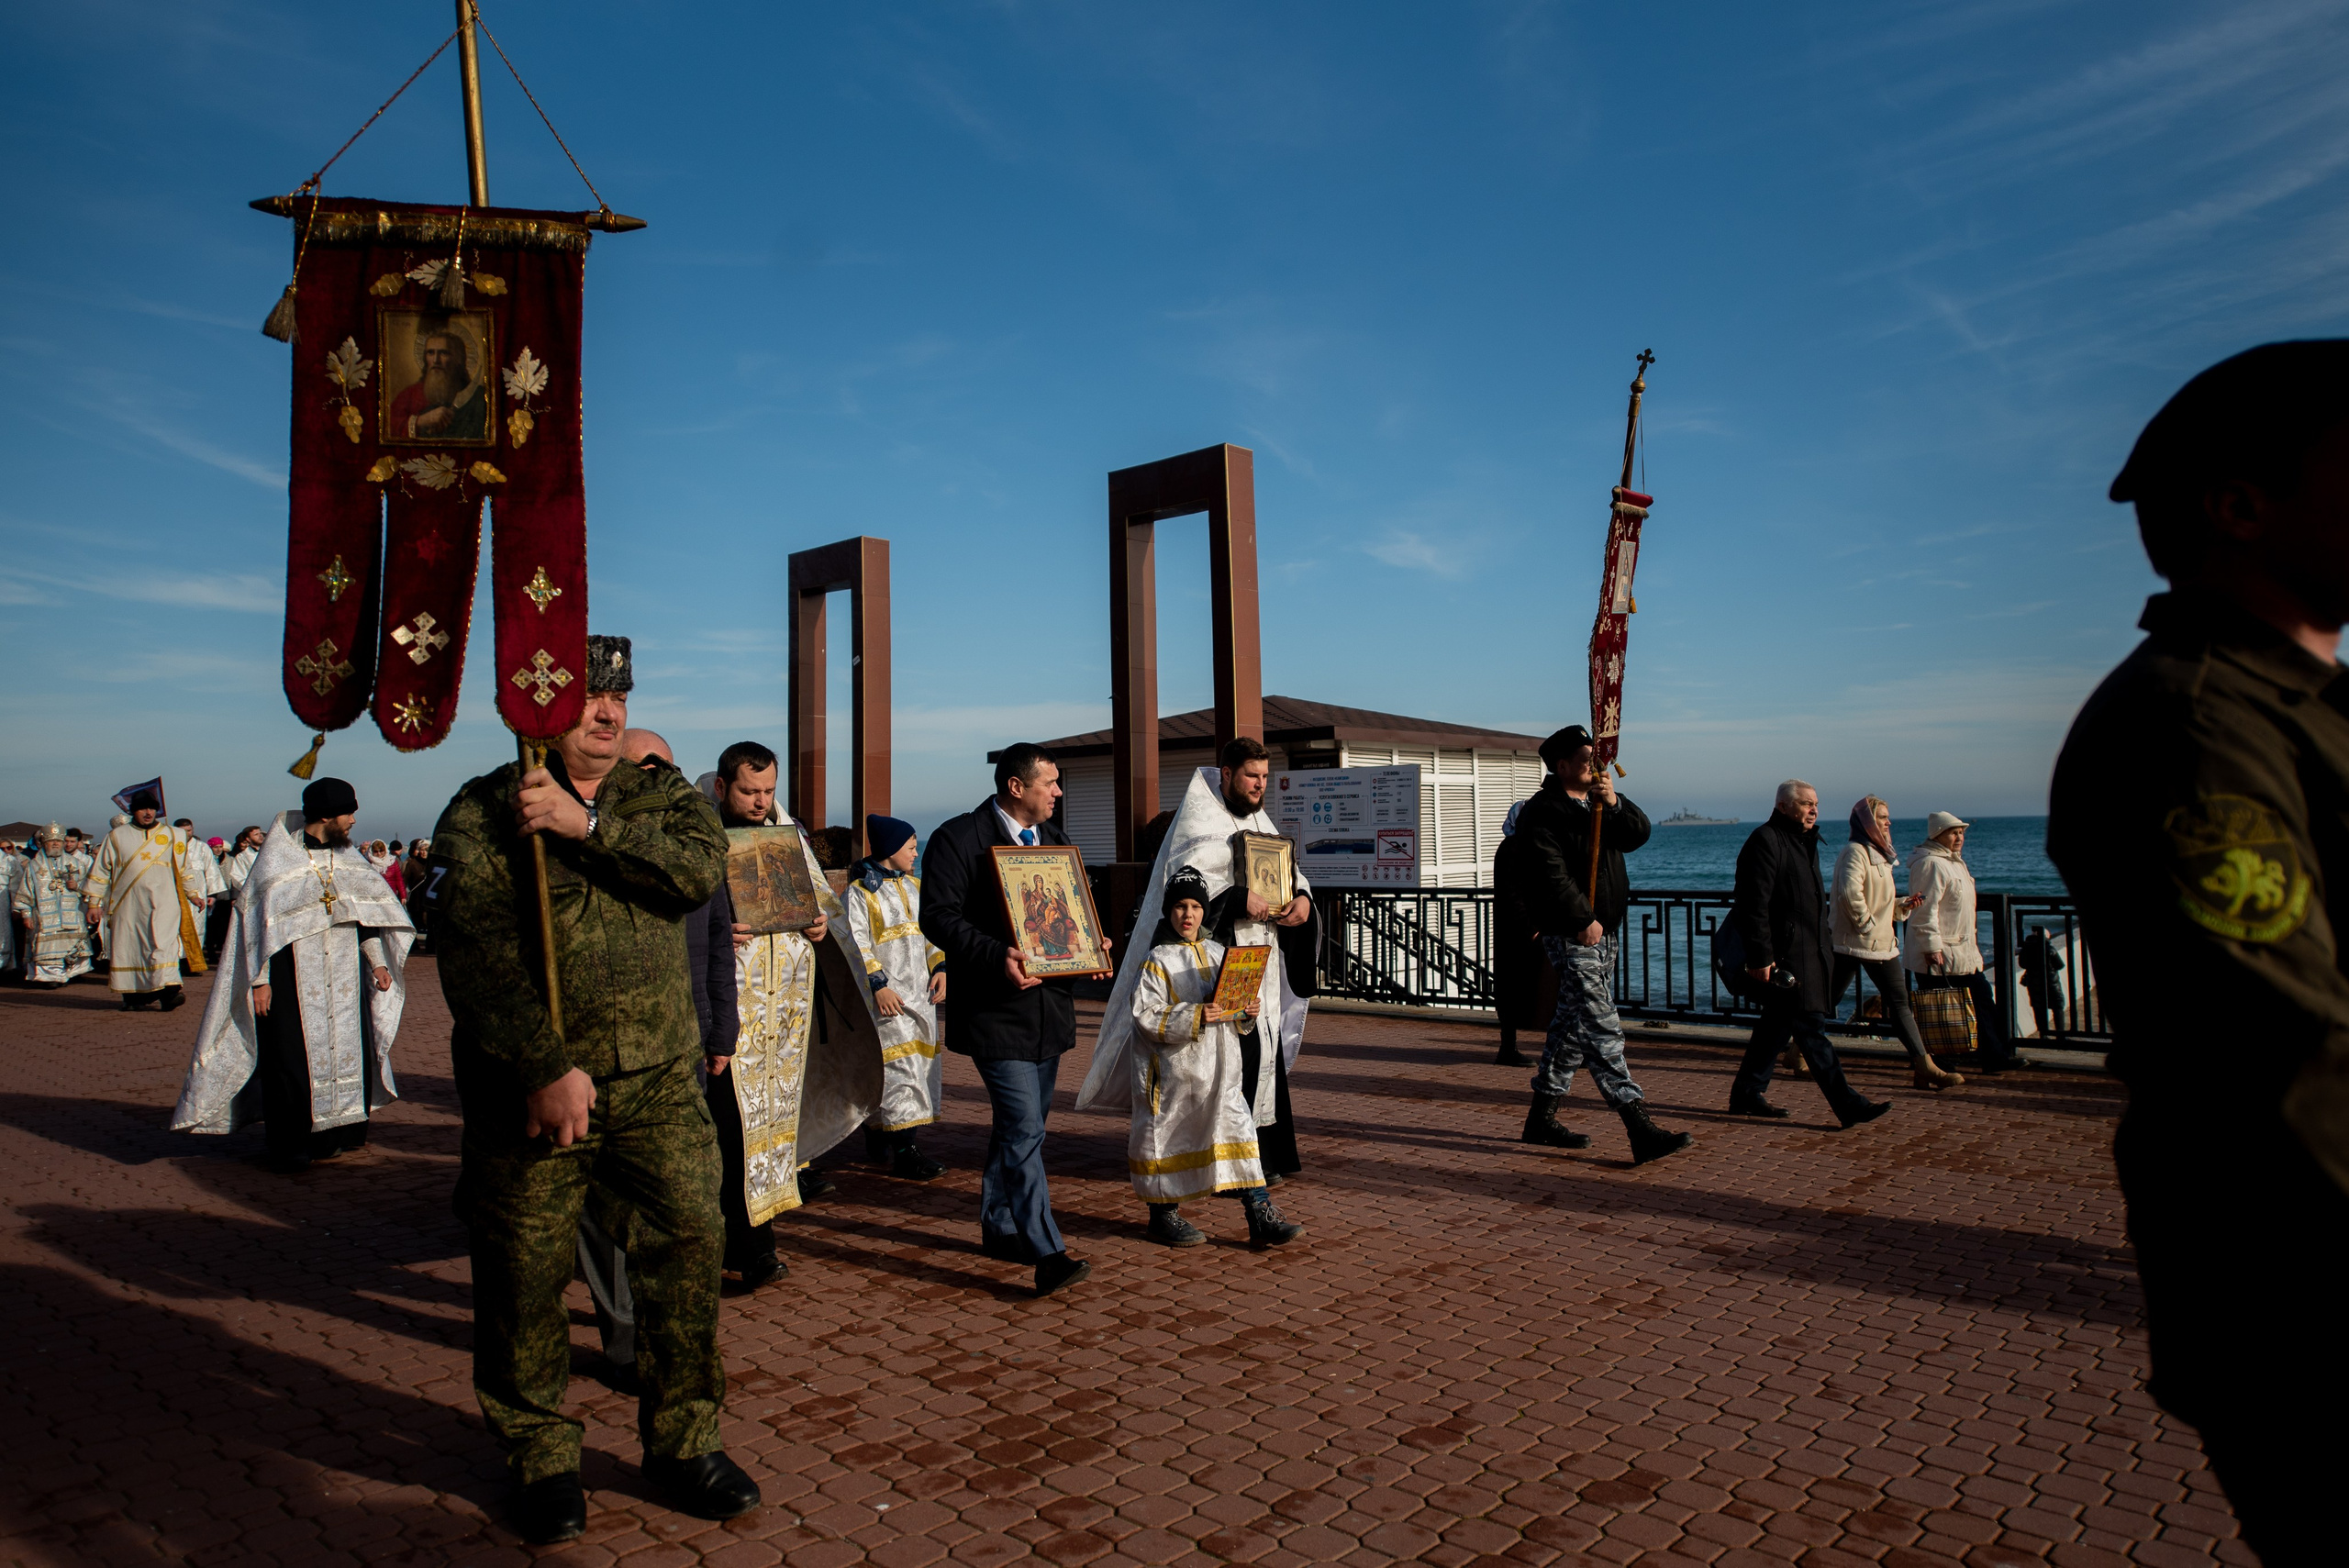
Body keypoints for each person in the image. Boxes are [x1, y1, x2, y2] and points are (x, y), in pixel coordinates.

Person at [2047, 339, 2349, 1562]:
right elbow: (2290, 1058)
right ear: (2240, 505)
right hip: (2309, 1311)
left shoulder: (2295, 715)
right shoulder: (2193, 730)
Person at [421, 634, 758, 1543]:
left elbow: (698, 873)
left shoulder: (663, 796)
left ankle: (684, 1439)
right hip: (534, 1095)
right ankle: (538, 1453)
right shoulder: (485, 808)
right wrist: (540, 1065)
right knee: (524, 1276)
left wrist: (588, 828)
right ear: (537, 707)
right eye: (586, 698)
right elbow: (473, 950)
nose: (608, 712)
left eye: (619, 696)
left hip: (658, 1085)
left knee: (689, 1245)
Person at [575, 729, 750, 1398]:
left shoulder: (691, 847)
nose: (661, 779)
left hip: (683, 1047)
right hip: (599, 1054)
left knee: (683, 1200)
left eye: (669, 769)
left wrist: (722, 1031)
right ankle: (624, 1336)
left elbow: (716, 945)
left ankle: (672, 1328)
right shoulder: (580, 844)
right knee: (602, 1200)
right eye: (647, 767)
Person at [1081, 739, 1317, 1201]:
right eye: (1252, 777)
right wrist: (1236, 898)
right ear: (1227, 774)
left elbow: (1290, 874)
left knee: (1261, 1054)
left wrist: (1304, 901)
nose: (1260, 786)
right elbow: (1184, 887)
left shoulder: (1259, 821)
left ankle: (1263, 1158)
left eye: (1264, 778)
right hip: (1211, 964)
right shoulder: (1198, 821)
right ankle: (1222, 1165)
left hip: (1260, 958)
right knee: (1227, 1064)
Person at [695, 740, 881, 1270]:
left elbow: (821, 907)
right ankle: (741, 1247)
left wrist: (821, 927)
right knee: (731, 1131)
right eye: (749, 791)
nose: (760, 802)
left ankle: (758, 1242)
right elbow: (684, 919)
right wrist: (715, 931)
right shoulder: (700, 838)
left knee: (773, 1127)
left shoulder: (789, 835)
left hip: (785, 1014)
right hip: (730, 1009)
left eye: (769, 791)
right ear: (721, 786)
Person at [921, 742, 1097, 1297]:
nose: (1059, 792)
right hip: (995, 1010)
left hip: (1048, 1013)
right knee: (1024, 1129)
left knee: (1019, 1128)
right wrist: (995, 954)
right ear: (1017, 787)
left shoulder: (1056, 842)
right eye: (1051, 783)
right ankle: (1047, 1252)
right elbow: (937, 916)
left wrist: (1090, 947)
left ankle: (999, 1226)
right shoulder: (959, 838)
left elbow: (1072, 915)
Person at [172, 779, 412, 1172]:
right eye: (348, 814)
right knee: (291, 1060)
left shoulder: (349, 859)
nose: (353, 821)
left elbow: (366, 918)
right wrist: (260, 981)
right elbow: (257, 930)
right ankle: (293, 1144)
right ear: (326, 816)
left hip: (345, 979)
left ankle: (340, 1134)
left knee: (349, 1050)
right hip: (289, 978)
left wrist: (378, 962)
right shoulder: (278, 862)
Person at [1508, 726, 1692, 1162]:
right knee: (1601, 1024)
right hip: (1572, 933)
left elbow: (1637, 835)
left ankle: (1540, 1120)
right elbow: (1550, 874)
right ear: (1562, 766)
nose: (1595, 765)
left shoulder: (1596, 802)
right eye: (1586, 759)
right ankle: (1639, 1126)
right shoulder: (1543, 811)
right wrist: (1581, 918)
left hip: (1604, 930)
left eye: (1596, 758)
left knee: (1570, 1031)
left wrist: (1615, 803)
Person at [1124, 867, 1303, 1248]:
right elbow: (1144, 1015)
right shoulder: (1157, 960)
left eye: (1195, 906)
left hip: (1222, 1073)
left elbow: (1234, 1010)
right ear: (1168, 911)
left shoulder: (1219, 953)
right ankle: (1162, 1214)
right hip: (1175, 1078)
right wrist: (1194, 1014)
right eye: (1179, 907)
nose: (1187, 915)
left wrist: (1246, 1012)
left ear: (1205, 911)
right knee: (1170, 1139)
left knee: (1239, 1132)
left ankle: (1260, 1213)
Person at [1725, 780, 1892, 1128]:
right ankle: (1849, 1105)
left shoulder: (1806, 841)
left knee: (1775, 1026)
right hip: (1786, 958)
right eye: (1805, 804)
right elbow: (1753, 904)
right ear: (1783, 806)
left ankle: (1746, 1093)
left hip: (1809, 952)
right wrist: (1760, 956)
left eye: (1815, 804)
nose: (1813, 810)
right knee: (1811, 1030)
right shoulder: (1766, 840)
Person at [846, 814, 951, 1180]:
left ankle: (878, 1129)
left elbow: (931, 934)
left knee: (918, 1065)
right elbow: (856, 942)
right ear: (891, 848)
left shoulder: (916, 887)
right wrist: (878, 985)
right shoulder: (860, 893)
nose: (915, 853)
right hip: (888, 999)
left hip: (921, 995)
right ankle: (906, 1151)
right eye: (910, 847)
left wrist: (940, 967)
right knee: (898, 1069)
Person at [1832, 796, 1960, 1091]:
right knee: (1829, 1000)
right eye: (1882, 817)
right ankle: (1796, 1050)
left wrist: (1902, 905)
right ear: (1866, 822)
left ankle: (1924, 1066)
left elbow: (1878, 900)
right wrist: (1867, 925)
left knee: (1898, 1002)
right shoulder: (1856, 852)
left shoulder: (1880, 853)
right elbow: (1849, 894)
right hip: (1855, 942)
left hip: (1879, 943)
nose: (1888, 822)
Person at [1901, 812, 2015, 1074]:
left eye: (1961, 832)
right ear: (1938, 834)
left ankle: (1993, 1057)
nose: (1960, 837)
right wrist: (1931, 947)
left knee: (1980, 1001)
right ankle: (1939, 1062)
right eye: (1953, 832)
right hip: (1941, 953)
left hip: (1961, 951)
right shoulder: (1930, 864)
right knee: (1938, 1010)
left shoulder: (1954, 862)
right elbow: (1924, 910)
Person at [85, 790, 197, 1009]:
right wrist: (93, 902)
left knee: (163, 945)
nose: (148, 813)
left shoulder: (173, 834)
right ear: (132, 811)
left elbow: (184, 867)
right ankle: (134, 997)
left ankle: (169, 992)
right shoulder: (117, 836)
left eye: (152, 808)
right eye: (142, 809)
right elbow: (101, 870)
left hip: (165, 901)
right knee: (131, 948)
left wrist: (193, 893)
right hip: (128, 903)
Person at [15, 825, 94, 986]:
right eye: (51, 841)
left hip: (72, 913)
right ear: (44, 843)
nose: (56, 844)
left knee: (73, 943)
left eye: (59, 841)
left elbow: (90, 887)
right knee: (48, 946)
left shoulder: (76, 863)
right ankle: (51, 977)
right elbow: (25, 891)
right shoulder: (34, 866)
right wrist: (26, 915)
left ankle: (71, 972)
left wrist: (77, 886)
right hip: (45, 916)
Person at [390, 326, 488, 439]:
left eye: (444, 353)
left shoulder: (478, 396)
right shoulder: (410, 394)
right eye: (430, 353)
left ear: (459, 359)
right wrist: (420, 421)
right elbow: (387, 427)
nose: (436, 360)